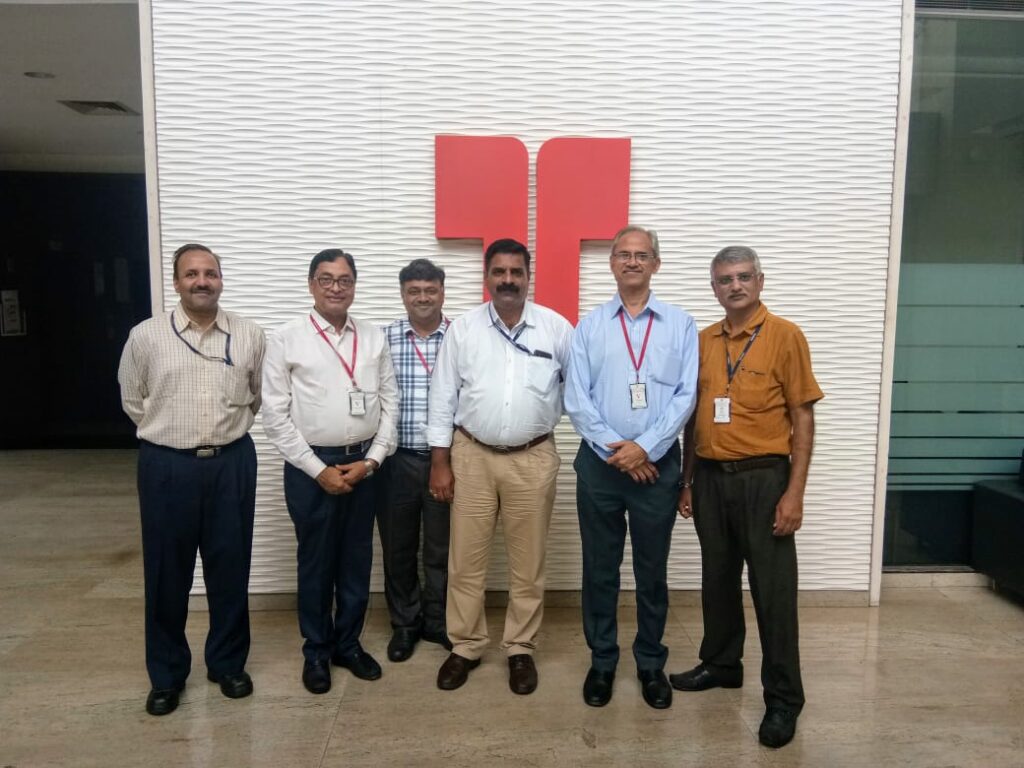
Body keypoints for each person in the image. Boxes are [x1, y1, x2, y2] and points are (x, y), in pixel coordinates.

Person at [670, 245, 823, 749]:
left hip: (764, 479)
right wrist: (688, 481)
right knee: (717, 580)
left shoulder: (785, 336)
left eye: (742, 277)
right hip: (711, 478)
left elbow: (803, 417)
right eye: (724, 279)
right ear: (714, 288)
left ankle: (783, 699)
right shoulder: (702, 341)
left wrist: (794, 493)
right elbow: (693, 418)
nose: (734, 286)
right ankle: (721, 664)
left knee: (772, 592)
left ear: (760, 281)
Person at [118, 243, 265, 716]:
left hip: (231, 463)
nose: (202, 281)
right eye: (191, 274)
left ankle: (227, 664)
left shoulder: (248, 334)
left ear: (221, 279)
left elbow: (256, 397)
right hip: (167, 466)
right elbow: (133, 400)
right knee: (167, 573)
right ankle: (166, 676)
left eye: (210, 273)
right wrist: (171, 437)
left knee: (230, 567)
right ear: (177, 282)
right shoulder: (146, 336)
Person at [427, 238, 573, 695]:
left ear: (528, 276)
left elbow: (579, 393)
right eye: (499, 272)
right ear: (487, 277)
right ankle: (466, 645)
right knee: (465, 562)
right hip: (471, 456)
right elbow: (442, 397)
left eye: (516, 272)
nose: (508, 280)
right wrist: (440, 462)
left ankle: (520, 647)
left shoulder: (556, 329)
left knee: (528, 564)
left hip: (533, 458)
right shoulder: (463, 330)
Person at [564, 226, 698, 710]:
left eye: (642, 255)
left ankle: (650, 663)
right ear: (612, 263)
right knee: (599, 570)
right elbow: (576, 397)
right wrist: (617, 452)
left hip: (656, 469)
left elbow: (686, 396)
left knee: (651, 571)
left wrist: (645, 448)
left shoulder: (681, 325)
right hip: (600, 468)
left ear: (656, 264)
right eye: (624, 254)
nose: (633, 261)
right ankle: (602, 661)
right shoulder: (589, 327)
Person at [262, 248, 398, 694]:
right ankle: (316, 651)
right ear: (311, 284)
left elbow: (391, 405)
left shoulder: (373, 337)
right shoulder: (286, 338)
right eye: (326, 279)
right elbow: (275, 417)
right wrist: (318, 470)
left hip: (363, 464)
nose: (336, 288)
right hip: (310, 468)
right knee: (317, 564)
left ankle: (348, 645)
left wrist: (373, 460)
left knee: (357, 561)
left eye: (344, 280)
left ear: (354, 286)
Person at [377, 258, 452, 662]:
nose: (423, 298)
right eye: (414, 291)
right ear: (403, 294)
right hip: (396, 460)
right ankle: (405, 623)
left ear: (442, 292)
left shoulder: (461, 336)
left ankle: (438, 621)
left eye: (430, 290)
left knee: (443, 548)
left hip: (448, 461)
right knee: (398, 548)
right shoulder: (382, 339)